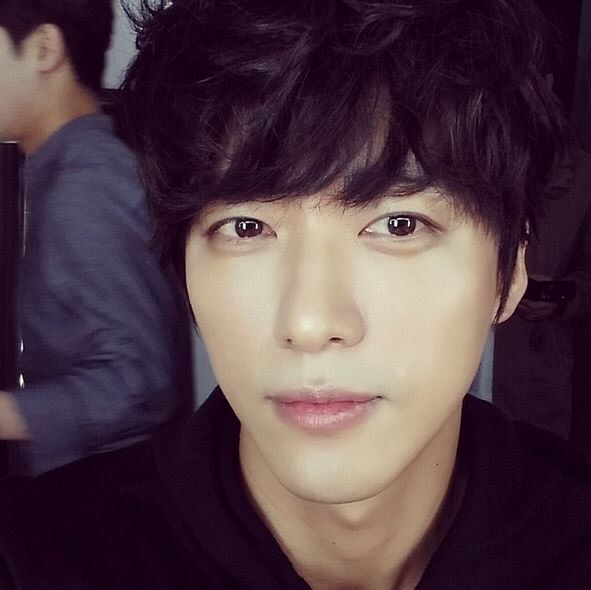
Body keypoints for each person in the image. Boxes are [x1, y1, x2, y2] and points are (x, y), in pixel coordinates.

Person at [1, 0, 591, 588]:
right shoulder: (45, 556)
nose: (309, 322)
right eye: (246, 227)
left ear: (509, 273)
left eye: (399, 225)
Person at [0, 0, 194, 476]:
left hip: (113, 492)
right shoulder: (57, 167)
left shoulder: (88, 178)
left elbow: (141, 384)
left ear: (44, 49)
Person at [493, 148, 591, 438]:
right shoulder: (448, 148)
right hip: (449, 347)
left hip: (533, 361)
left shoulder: (581, 174)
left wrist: (561, 297)